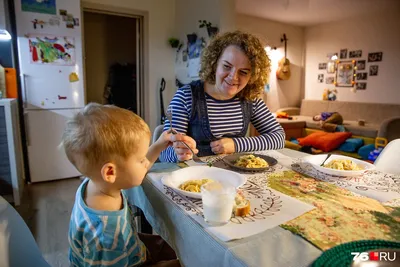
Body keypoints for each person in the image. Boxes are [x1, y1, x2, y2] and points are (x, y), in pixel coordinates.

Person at [62, 103, 180, 267]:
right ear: (110, 172)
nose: (145, 162)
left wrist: (160, 145)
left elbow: (133, 168)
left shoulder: (97, 183)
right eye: (140, 160)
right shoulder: (107, 236)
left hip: (132, 248)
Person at [160, 31, 285, 162]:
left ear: (252, 76)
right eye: (226, 66)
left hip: (236, 178)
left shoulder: (250, 99)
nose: (233, 77)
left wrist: (236, 145)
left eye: (243, 72)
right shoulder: (185, 97)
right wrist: (179, 154)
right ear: (214, 64)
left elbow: (279, 138)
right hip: (195, 178)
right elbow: (164, 153)